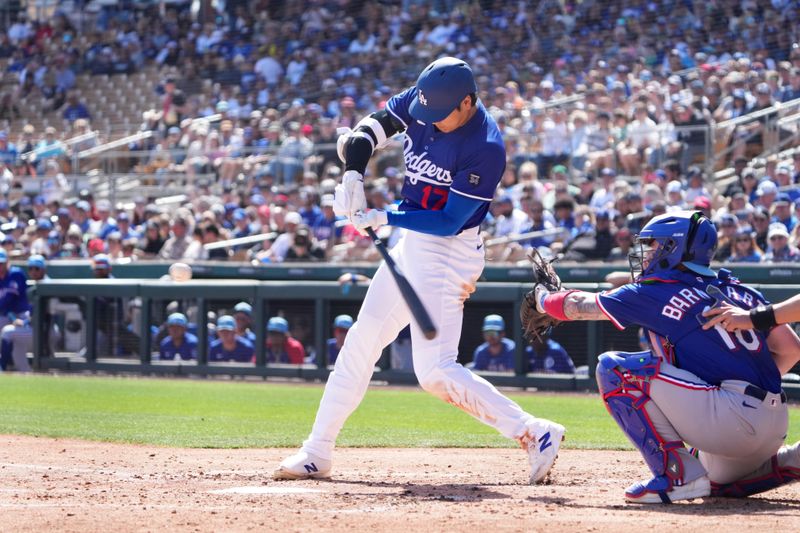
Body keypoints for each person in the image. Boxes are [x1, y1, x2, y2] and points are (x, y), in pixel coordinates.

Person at [274, 57, 564, 484]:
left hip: (448, 253)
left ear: (467, 103)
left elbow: (448, 220)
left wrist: (382, 215)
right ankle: (317, 450)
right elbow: (368, 131)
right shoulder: (428, 99)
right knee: (361, 342)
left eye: (439, 114)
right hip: (411, 242)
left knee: (434, 371)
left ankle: (534, 432)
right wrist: (354, 175)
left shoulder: (484, 146)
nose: (427, 120)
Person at [531, 210, 800, 503]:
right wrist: (753, 393)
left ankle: (676, 476)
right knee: (714, 484)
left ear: (674, 248)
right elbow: (791, 349)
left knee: (615, 369)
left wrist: (542, 299)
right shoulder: (741, 291)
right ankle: (790, 460)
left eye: (655, 245)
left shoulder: (658, 290)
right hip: (774, 425)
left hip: (729, 421)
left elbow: (579, 306)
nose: (646, 255)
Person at [0, 254, 45, 371]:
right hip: (24, 327)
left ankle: (2, 369)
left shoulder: (46, 284)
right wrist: (14, 318)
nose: (33, 271)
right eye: (30, 268)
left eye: (37, 268)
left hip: (41, 332)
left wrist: (24, 321)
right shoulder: (30, 287)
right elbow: (8, 306)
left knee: (7, 332)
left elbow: (41, 314)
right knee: (21, 364)